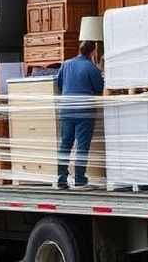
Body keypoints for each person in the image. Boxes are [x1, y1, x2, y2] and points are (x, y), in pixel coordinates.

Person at [56, 41, 104, 190]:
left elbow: (59, 84)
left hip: (67, 108)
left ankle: (61, 179)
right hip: (84, 110)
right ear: (93, 52)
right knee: (82, 146)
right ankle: (79, 179)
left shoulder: (66, 64)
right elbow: (99, 88)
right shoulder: (91, 68)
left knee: (65, 144)